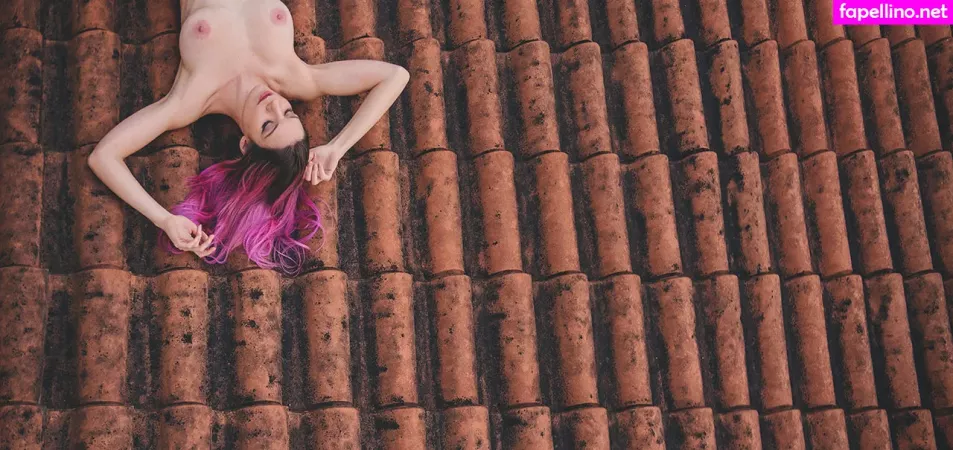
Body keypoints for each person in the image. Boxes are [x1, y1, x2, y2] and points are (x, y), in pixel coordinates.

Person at [87, 0, 410, 275]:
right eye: (288, 112)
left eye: (267, 125)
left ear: (246, 143)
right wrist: (337, 147)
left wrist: (165, 220)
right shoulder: (297, 79)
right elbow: (395, 76)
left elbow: (104, 156)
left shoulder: (192, 100)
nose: (274, 105)